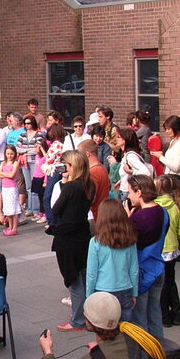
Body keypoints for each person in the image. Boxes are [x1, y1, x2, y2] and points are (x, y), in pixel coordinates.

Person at [50, 151, 96, 332]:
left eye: (67, 165)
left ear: (73, 166)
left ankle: (77, 320)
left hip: (67, 237)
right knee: (84, 276)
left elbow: (55, 209)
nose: (65, 169)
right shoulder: (89, 184)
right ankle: (87, 315)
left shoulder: (70, 187)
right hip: (82, 234)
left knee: (73, 279)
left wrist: (62, 184)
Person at [123, 174, 166, 337]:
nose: (129, 196)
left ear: (139, 192)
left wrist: (128, 220)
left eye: (130, 192)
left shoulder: (138, 219)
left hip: (141, 271)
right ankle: (159, 349)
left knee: (140, 318)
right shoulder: (162, 212)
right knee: (155, 313)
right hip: (158, 266)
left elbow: (127, 242)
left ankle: (145, 355)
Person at [85, 199, 139, 324]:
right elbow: (134, 269)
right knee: (126, 327)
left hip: (103, 289)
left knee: (105, 327)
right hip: (125, 288)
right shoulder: (130, 240)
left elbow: (92, 273)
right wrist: (134, 292)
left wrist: (89, 295)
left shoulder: (95, 242)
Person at [155, 175, 180, 328]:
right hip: (172, 249)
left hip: (160, 250)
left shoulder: (156, 206)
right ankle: (177, 314)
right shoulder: (176, 205)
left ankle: (165, 316)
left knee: (162, 285)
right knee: (171, 282)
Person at [17, 114, 45, 218]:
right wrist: (28, 150)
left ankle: (36, 210)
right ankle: (30, 209)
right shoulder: (22, 135)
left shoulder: (38, 135)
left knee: (35, 185)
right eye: (26, 123)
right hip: (24, 162)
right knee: (28, 186)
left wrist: (25, 150)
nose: (27, 125)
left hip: (34, 161)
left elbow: (37, 149)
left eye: (29, 123)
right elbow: (17, 148)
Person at [151, 115, 180, 193]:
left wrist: (161, 157)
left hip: (177, 179)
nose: (167, 131)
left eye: (168, 129)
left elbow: (176, 167)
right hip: (169, 177)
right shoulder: (173, 142)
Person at [81, 139, 111, 218]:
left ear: (87, 154)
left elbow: (91, 198)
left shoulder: (93, 172)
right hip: (102, 212)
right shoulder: (102, 168)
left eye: (81, 154)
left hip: (95, 215)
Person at [0, 145, 22, 235]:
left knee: (14, 208)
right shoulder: (3, 163)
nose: (9, 156)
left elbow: (12, 175)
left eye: (11, 154)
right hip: (5, 188)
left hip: (12, 187)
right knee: (8, 208)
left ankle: (14, 228)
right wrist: (6, 174)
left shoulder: (15, 163)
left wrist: (3, 174)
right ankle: (10, 227)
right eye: (8, 154)